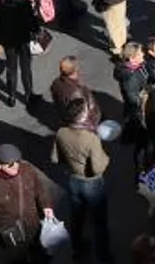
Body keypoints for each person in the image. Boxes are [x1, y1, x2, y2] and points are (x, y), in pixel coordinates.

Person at [52, 97, 113, 264]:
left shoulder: (61, 133)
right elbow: (98, 167)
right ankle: (104, 257)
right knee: (99, 223)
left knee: (77, 216)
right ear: (83, 115)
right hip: (92, 183)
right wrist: (107, 158)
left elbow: (55, 158)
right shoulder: (91, 138)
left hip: (73, 180)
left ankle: (76, 248)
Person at [0, 143, 58, 263]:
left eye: (17, 161)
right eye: (10, 164)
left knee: (41, 256)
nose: (16, 167)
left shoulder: (27, 170)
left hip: (33, 225)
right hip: (12, 236)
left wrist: (46, 206)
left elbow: (40, 190)